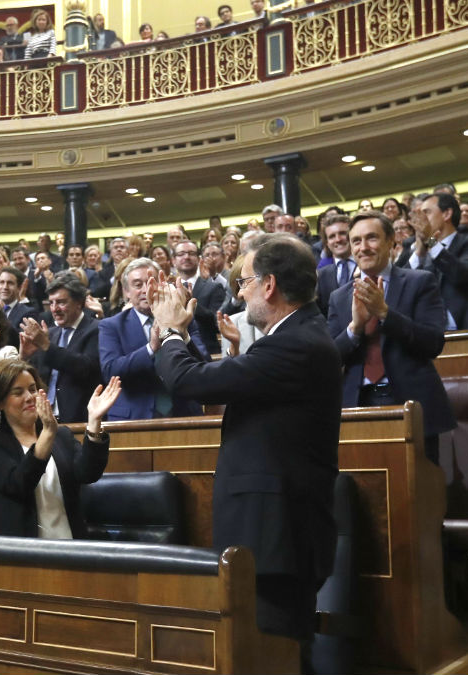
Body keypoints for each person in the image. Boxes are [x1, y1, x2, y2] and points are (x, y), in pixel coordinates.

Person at [151, 233, 341, 665]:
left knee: (273, 653)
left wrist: (170, 331)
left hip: (277, 535)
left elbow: (189, 380)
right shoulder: (297, 335)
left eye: (247, 281)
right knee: (271, 653)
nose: (241, 291)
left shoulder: (296, 343)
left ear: (270, 285)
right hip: (272, 532)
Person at [327, 211, 455, 463]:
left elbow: (433, 343)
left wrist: (385, 313)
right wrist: (355, 328)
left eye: (372, 238)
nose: (363, 247)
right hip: (357, 405)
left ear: (391, 241)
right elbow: (329, 357)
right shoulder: (339, 297)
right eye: (356, 241)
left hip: (411, 403)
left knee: (419, 490)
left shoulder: (420, 282)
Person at [0, 359, 119, 538]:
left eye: (33, 389)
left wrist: (94, 422)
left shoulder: (61, 436)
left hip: (70, 545)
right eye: (18, 392)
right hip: (21, 553)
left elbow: (88, 473)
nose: (29, 397)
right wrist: (48, 434)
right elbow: (20, 484)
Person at [98, 258, 209, 420]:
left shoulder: (183, 319)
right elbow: (110, 371)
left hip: (183, 412)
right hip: (133, 417)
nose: (145, 290)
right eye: (137, 285)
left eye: (151, 283)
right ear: (126, 291)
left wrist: (181, 333)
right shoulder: (111, 325)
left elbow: (203, 363)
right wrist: (151, 348)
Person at [401, 192, 468, 330]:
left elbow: (461, 274)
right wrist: (419, 252)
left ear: (446, 214)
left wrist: (430, 242)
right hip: (427, 334)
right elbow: (400, 283)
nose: (421, 220)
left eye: (426, 212)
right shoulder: (420, 247)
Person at [19, 273, 102, 424]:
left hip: (79, 419)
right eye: (51, 303)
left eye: (61, 302)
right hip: (44, 418)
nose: (54, 309)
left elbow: (85, 368)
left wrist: (45, 346)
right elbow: (36, 378)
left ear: (79, 302)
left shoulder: (97, 329)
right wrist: (25, 358)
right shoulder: (50, 333)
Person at [315, 215, 353, 316]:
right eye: (332, 236)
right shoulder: (321, 275)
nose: (338, 239)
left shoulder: (367, 267)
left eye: (342, 233)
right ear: (327, 243)